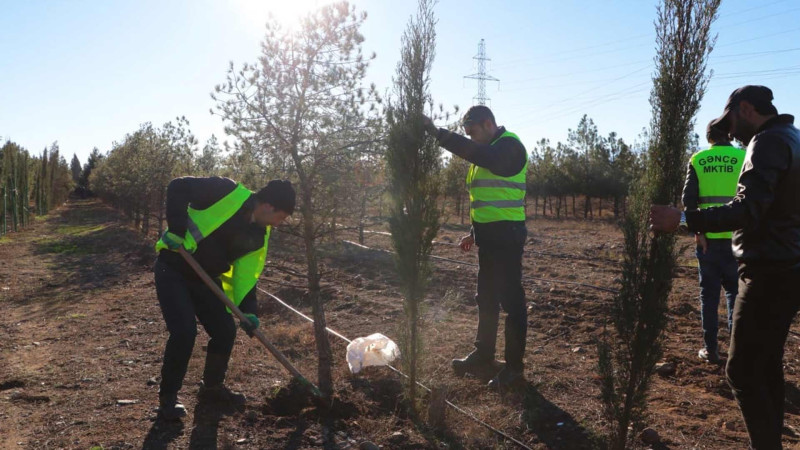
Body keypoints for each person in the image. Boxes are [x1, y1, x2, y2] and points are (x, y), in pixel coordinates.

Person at [650, 85, 800, 449]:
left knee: (742, 371)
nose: (730, 132)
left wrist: (684, 219)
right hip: (788, 265)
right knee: (765, 365)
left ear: (745, 109)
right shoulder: (792, 136)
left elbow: (748, 210)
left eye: (730, 121)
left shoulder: (767, 142)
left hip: (768, 271)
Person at [153, 176, 295, 420]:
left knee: (224, 330)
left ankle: (212, 388)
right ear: (268, 206)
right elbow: (177, 187)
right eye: (280, 217)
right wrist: (176, 229)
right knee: (184, 332)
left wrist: (248, 310)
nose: (278, 223)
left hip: (205, 279)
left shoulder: (260, 235)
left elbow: (247, 276)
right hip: (174, 267)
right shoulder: (226, 191)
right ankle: (168, 400)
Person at [423, 105, 528, 389]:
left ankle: (514, 368)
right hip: (490, 238)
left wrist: (439, 134)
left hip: (507, 238)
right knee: (486, 299)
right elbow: (486, 199)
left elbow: (485, 157)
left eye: (473, 133)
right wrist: (474, 232)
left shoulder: (510, 148)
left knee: (512, 304)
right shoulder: (488, 152)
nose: (472, 139)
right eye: (467, 135)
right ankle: (484, 355)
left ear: (488, 123)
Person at [681, 120, 744, 363]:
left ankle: (711, 350)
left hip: (708, 242)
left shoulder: (698, 159)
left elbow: (689, 201)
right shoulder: (743, 156)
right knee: (736, 297)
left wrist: (698, 232)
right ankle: (736, 354)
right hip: (738, 242)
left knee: (708, 298)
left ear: (709, 137)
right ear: (729, 135)